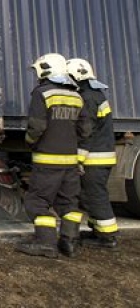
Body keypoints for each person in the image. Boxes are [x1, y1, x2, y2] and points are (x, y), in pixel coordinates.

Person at [15, 53, 90, 259]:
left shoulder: (42, 93)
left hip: (47, 161)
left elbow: (37, 127)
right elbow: (86, 130)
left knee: (37, 202)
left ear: (45, 69)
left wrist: (30, 142)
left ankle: (46, 243)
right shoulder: (77, 95)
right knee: (69, 204)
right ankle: (69, 242)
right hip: (70, 162)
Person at [66, 58, 119, 249]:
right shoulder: (95, 94)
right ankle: (98, 231)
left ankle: (108, 238)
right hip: (100, 156)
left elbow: (86, 131)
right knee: (92, 195)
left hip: (94, 158)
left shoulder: (87, 97)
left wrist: (78, 159)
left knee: (95, 196)